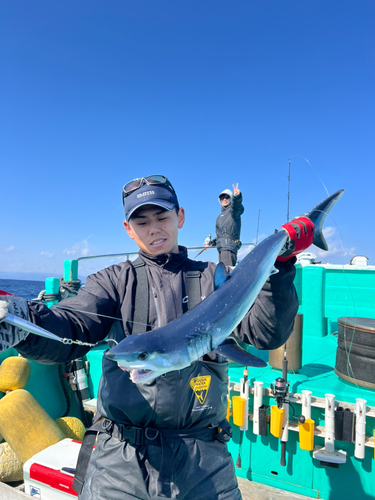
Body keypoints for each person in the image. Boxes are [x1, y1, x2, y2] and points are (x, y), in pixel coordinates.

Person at [0, 174, 314, 500]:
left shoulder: (211, 280)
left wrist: (283, 266)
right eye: (142, 221)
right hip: (120, 459)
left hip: (202, 458)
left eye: (162, 217)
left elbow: (265, 334)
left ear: (179, 217)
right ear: (128, 229)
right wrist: (21, 321)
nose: (154, 228)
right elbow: (73, 324)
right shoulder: (112, 282)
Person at [208, 183, 244, 267]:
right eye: (222, 197)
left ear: (231, 198)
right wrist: (211, 244)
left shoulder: (233, 212)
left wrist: (237, 197)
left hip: (229, 247)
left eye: (227, 197)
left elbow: (237, 206)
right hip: (221, 247)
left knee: (227, 273)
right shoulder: (221, 216)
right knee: (224, 272)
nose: (224, 199)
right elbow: (221, 234)